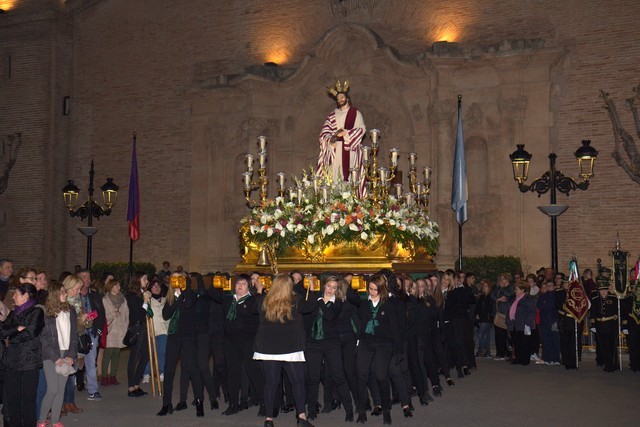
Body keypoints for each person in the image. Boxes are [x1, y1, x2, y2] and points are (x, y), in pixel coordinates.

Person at [253, 273, 315, 427]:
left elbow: (254, 308)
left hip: (268, 349)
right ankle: (301, 417)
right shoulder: (296, 300)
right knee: (297, 382)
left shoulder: (264, 301)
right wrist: (312, 288)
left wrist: (259, 290)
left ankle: (268, 419)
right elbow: (310, 306)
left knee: (271, 384)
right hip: (291, 348)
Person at [303, 275, 354, 421]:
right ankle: (312, 410)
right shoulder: (315, 298)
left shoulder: (338, 303)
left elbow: (330, 316)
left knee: (339, 376)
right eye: (328, 286)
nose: (330, 290)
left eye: (334, 287)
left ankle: (349, 410)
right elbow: (306, 311)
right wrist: (313, 294)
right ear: (324, 285)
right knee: (313, 378)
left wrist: (319, 301)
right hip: (313, 343)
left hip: (331, 343)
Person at [156, 272, 204, 417]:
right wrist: (176, 296)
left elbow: (188, 305)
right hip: (174, 335)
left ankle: (199, 401)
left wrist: (184, 290)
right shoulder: (171, 297)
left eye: (180, 278)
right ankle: (166, 403)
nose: (176, 281)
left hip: (189, 335)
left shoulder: (190, 294)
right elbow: (166, 315)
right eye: (174, 279)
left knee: (192, 368)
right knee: (169, 368)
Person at [1, 283, 45, 427]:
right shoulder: (14, 313)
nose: (13, 297)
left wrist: (11, 335)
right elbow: (1, 331)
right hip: (11, 361)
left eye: (16, 294)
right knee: (12, 399)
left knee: (28, 400)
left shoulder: (37, 312)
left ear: (26, 296)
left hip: (29, 362)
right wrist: (16, 328)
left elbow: (31, 333)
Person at [37, 280, 78, 427]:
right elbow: (43, 338)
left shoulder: (71, 311)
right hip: (50, 355)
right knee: (53, 389)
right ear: (54, 294)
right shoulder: (45, 312)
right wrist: (55, 358)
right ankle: (41, 420)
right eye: (62, 292)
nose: (65, 294)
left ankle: (55, 421)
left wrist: (71, 355)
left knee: (61, 391)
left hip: (66, 353)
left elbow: (74, 335)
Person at [317, 80, 366, 194]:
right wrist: (330, 140)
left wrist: (347, 133)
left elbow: (362, 129)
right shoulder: (332, 115)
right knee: (334, 176)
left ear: (347, 98)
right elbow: (324, 133)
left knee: (350, 176)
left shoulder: (355, 113)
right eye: (338, 99)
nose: (340, 100)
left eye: (342, 98)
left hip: (350, 149)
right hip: (335, 150)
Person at [77, 269, 106, 401]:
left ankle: (93, 390)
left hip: (91, 333)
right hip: (77, 334)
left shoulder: (94, 295)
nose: (87, 280)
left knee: (91, 361)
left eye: (88, 277)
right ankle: (67, 392)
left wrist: (98, 331)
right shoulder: (73, 296)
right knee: (74, 362)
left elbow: (101, 313)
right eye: (84, 277)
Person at [125, 271, 150, 398]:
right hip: (137, 328)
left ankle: (136, 383)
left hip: (144, 328)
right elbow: (139, 315)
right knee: (134, 357)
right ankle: (131, 386)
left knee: (146, 356)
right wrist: (145, 301)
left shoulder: (141, 294)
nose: (147, 282)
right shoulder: (132, 296)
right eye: (145, 279)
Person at [102, 279, 129, 385]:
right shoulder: (105, 299)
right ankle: (104, 376)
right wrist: (113, 315)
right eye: (116, 285)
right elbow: (104, 314)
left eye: (119, 285)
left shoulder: (123, 299)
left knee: (116, 354)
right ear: (111, 287)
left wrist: (126, 323)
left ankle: (113, 376)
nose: (119, 287)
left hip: (120, 328)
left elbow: (127, 312)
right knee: (108, 353)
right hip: (111, 329)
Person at [142, 279, 169, 384]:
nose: (157, 288)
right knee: (149, 354)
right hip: (151, 331)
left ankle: (162, 372)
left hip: (163, 330)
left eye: (158, 286)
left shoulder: (166, 300)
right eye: (154, 286)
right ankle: (146, 374)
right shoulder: (148, 301)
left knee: (162, 353)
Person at [590, 277, 619, 372]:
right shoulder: (595, 300)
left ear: (608, 290)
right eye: (601, 290)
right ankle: (608, 364)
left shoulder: (613, 298)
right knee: (604, 346)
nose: (603, 292)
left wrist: (616, 322)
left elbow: (617, 312)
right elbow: (593, 313)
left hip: (610, 325)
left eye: (605, 290)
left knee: (611, 346)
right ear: (599, 291)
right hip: (600, 326)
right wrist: (593, 325)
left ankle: (613, 364)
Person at [506, 282, 536, 365]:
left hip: (523, 324)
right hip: (514, 324)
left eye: (517, 289)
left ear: (523, 290)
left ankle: (525, 359)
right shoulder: (513, 299)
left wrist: (527, 321)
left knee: (524, 342)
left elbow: (532, 312)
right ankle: (518, 358)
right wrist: (508, 320)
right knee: (516, 342)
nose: (515, 291)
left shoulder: (528, 299)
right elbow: (509, 310)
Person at [474, 279, 494, 358]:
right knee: (486, 335)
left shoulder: (490, 297)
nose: (484, 288)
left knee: (481, 335)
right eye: (483, 286)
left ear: (489, 287)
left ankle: (480, 352)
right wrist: (476, 314)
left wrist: (480, 315)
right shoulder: (482, 297)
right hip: (482, 318)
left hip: (486, 319)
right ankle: (487, 352)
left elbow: (488, 309)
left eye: (486, 286)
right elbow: (478, 307)